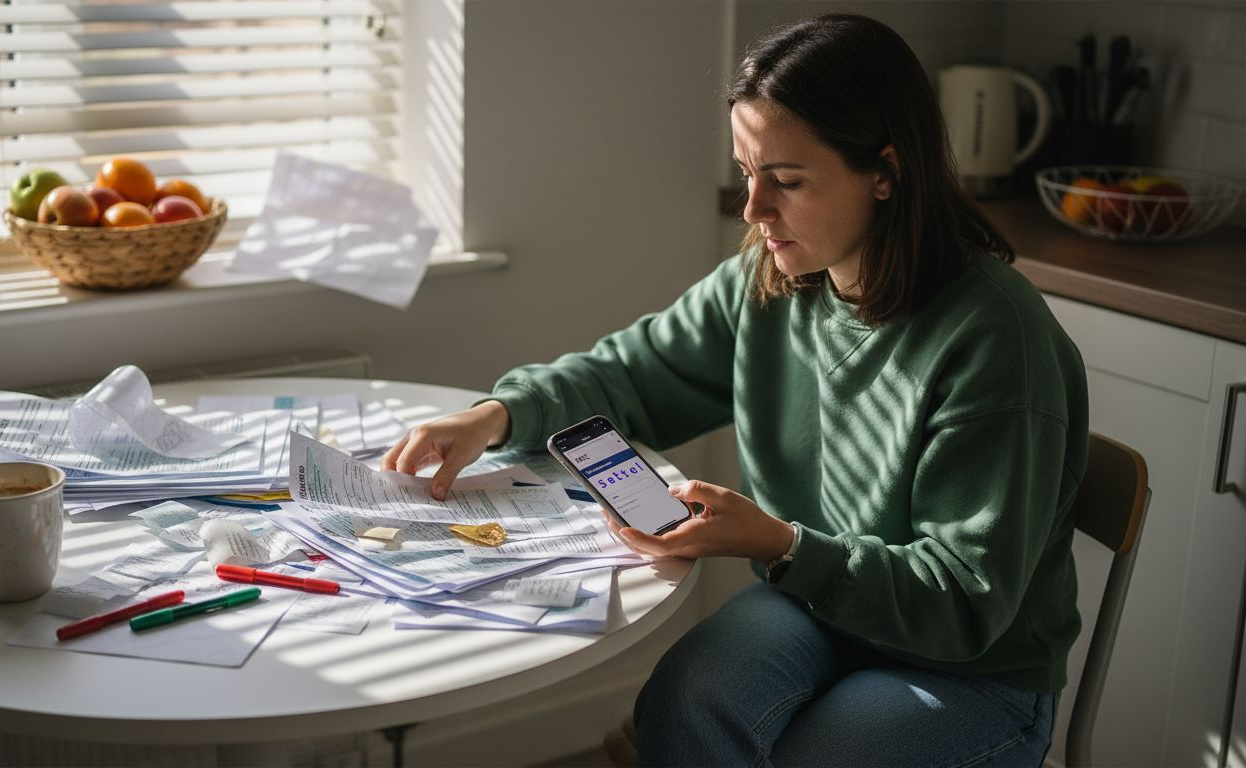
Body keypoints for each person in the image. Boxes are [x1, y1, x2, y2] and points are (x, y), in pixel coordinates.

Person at [383, 12, 1087, 767]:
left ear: (886, 171)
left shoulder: (993, 339)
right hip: (822, 609)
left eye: (785, 181)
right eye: (748, 174)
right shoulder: (775, 279)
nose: (753, 211)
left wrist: (778, 543)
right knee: (684, 702)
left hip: (969, 669)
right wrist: (498, 414)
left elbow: (964, 602)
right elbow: (632, 373)